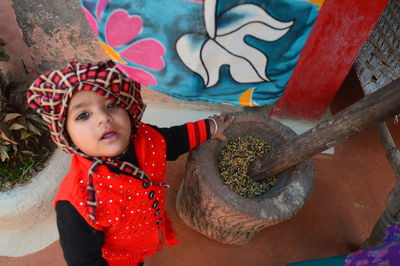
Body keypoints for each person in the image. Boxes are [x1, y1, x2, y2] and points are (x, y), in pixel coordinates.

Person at [27, 60, 234, 266]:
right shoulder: (77, 203)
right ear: (66, 135)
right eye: (83, 115)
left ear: (129, 110)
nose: (103, 117)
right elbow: (83, 260)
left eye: (112, 105)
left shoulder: (147, 139)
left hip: (144, 236)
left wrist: (211, 126)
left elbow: (175, 140)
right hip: (118, 259)